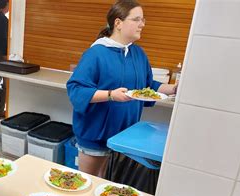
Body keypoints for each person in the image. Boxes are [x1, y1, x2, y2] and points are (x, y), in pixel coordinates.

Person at [66, 0, 177, 178]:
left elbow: (148, 86)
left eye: (143, 20)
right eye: (136, 19)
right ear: (118, 23)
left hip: (125, 136)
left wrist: (173, 88)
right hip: (96, 136)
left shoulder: (138, 54)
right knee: (89, 182)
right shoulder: (96, 54)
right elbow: (76, 90)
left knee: (110, 188)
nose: (142, 24)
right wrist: (111, 95)